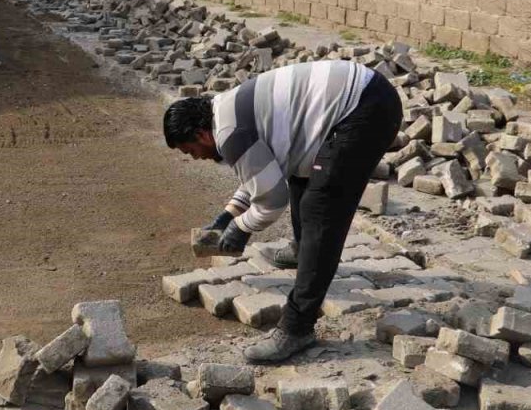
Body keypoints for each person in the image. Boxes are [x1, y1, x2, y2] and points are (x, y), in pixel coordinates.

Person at [163, 61, 403, 363]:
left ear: (201, 135)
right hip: (361, 96)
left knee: (321, 207)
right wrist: (227, 216)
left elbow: (271, 201)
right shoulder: (222, 111)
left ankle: (296, 327)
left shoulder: (230, 133)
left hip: (365, 110)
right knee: (301, 176)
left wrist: (241, 228)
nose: (195, 158)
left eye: (190, 151)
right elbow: (259, 174)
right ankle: (305, 252)